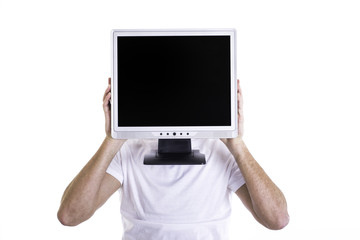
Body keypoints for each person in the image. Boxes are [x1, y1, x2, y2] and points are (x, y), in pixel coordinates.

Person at [57, 78, 289, 239]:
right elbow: (69, 215)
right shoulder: (127, 152)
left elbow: (277, 219)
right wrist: (113, 138)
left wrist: (236, 143)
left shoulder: (224, 153)